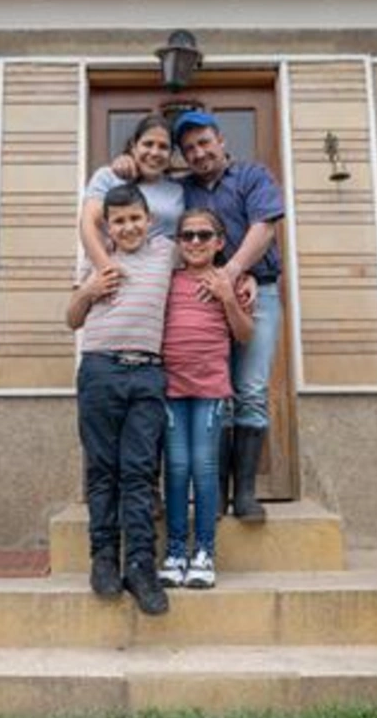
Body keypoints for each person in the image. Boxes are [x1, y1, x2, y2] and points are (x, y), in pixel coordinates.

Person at [168, 110, 285, 523]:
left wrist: (234, 273)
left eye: (204, 143)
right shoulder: (183, 191)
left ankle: (247, 495)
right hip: (202, 295)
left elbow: (265, 227)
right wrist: (120, 167)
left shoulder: (253, 176)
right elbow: (143, 199)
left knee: (250, 388)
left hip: (259, 292)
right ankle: (215, 493)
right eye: (189, 149)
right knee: (218, 394)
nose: (199, 153)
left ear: (221, 140)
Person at [65, 184, 175, 615]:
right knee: (102, 470)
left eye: (135, 218)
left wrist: (239, 285)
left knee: (140, 471)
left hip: (147, 372)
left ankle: (141, 565)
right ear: (107, 226)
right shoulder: (95, 261)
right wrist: (88, 291)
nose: (128, 227)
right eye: (119, 221)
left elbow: (206, 256)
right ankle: (104, 559)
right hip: (100, 370)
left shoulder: (166, 251)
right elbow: (71, 319)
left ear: (148, 220)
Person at [157, 208, 253, 590]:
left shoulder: (234, 281)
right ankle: (177, 551)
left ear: (219, 242)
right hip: (171, 389)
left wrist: (228, 297)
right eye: (187, 236)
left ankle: (205, 553)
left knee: (203, 466)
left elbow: (244, 336)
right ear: (178, 244)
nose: (195, 242)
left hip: (211, 389)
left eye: (203, 235)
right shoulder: (167, 281)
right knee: (176, 467)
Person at [80, 115, 183, 273]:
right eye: (148, 144)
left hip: (159, 277)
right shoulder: (109, 177)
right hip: (113, 270)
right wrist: (106, 269)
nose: (155, 152)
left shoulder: (178, 189)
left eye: (163, 147)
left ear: (171, 154)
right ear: (134, 146)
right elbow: (89, 224)